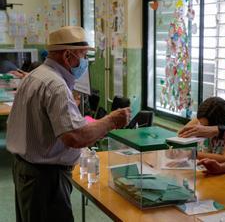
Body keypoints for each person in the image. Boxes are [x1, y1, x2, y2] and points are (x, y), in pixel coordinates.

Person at [6, 26, 131, 222]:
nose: (84, 62)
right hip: (45, 179)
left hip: (26, 169)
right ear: (67, 55)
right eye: (82, 55)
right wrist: (111, 121)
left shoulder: (35, 75)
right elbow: (75, 136)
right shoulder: (55, 85)